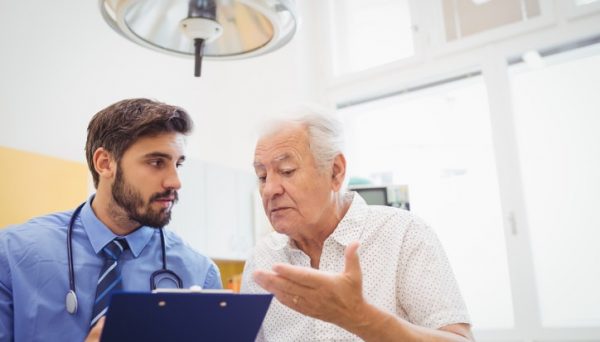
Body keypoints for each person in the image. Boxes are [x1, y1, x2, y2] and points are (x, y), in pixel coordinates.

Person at [241, 108, 474, 341]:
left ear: (335, 172)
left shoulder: (403, 234)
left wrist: (361, 318)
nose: (269, 189)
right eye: (262, 176)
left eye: (287, 171)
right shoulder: (261, 260)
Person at [0, 98, 222, 342]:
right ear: (104, 164)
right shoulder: (12, 254)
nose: (175, 181)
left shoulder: (201, 275)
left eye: (177, 164)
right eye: (157, 162)